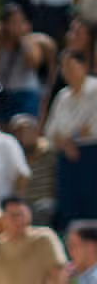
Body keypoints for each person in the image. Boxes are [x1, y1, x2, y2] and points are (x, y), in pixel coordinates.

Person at [42, 51, 97, 232]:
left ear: (84, 67)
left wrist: (70, 137)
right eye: (64, 68)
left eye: (72, 67)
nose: (68, 72)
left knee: (92, 205)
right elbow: (50, 131)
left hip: (92, 154)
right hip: (66, 156)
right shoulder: (62, 96)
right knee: (69, 208)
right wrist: (66, 142)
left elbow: (91, 126)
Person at [0, 1, 52, 122]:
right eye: (13, 22)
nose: (17, 26)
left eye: (20, 22)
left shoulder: (30, 41)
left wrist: (21, 39)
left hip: (25, 93)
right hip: (2, 93)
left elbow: (34, 63)